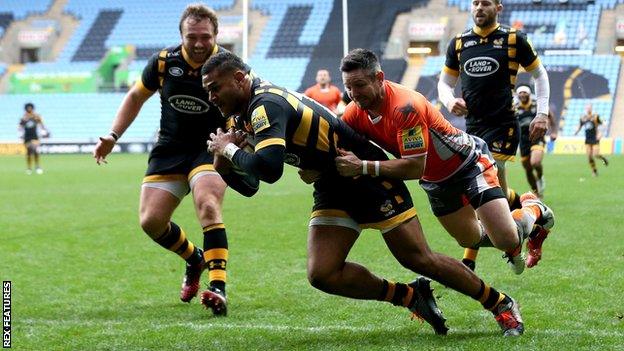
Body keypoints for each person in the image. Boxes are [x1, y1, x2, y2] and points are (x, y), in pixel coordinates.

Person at [203, 51, 526, 336]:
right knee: (322, 273)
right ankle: (410, 296)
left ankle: (500, 303)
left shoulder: (265, 104)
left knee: (419, 258)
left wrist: (231, 151)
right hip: (332, 183)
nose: (211, 96)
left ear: (239, 78)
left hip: (367, 178)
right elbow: (251, 186)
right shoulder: (242, 114)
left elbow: (270, 170)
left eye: (214, 88)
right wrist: (224, 161)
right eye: (207, 90)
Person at [338, 49, 555, 275]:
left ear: (379, 78)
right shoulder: (355, 112)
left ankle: (533, 207)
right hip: (436, 181)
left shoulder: (405, 107)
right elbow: (336, 139)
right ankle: (513, 230)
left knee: (505, 239)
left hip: (469, 164)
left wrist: (362, 167)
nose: (353, 93)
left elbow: (414, 167)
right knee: (468, 238)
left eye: (360, 85)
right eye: (348, 87)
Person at [93, 4, 230, 316]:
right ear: (181, 35)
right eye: (191, 36)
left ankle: (218, 287)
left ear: (216, 36)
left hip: (211, 147)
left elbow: (248, 103)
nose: (198, 43)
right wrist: (112, 136)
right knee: (151, 221)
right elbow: (135, 96)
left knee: (208, 204)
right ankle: (194, 258)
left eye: (205, 37)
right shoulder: (164, 62)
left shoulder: (228, 65)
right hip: (170, 148)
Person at [437, 0, 551, 268]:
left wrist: (542, 113)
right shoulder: (458, 43)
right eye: (475, 2)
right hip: (473, 127)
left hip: (503, 124)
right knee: (492, 192)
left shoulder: (513, 39)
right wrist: (448, 100)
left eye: (485, 3)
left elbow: (540, 75)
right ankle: (534, 211)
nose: (479, 7)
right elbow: (444, 83)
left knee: (482, 186)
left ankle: (471, 260)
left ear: (498, 7)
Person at [514, 85, 557, 198]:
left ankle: (540, 176)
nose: (523, 94)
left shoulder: (537, 103)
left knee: (535, 162)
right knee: (527, 169)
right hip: (523, 140)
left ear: (529, 93)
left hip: (537, 136)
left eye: (525, 92)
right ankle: (537, 193)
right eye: (520, 93)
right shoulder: (514, 106)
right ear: (518, 94)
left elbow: (551, 116)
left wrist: (554, 132)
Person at [574, 103, 608, 176]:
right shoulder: (583, 117)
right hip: (588, 140)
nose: (588, 109)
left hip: (595, 139)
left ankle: (603, 159)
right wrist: (576, 131)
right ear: (586, 109)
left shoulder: (595, 117)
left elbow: (604, 124)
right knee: (589, 157)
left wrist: (601, 134)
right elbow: (580, 126)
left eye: (589, 108)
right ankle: (594, 171)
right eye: (587, 108)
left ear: (591, 108)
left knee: (596, 155)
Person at [18, 102, 49, 175]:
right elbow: (20, 127)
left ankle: (38, 166)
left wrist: (45, 131)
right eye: (28, 108)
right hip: (27, 137)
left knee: (35, 150)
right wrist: (20, 134)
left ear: (32, 108)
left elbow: (41, 124)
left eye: (30, 107)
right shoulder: (24, 118)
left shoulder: (36, 116)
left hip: (34, 136)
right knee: (29, 152)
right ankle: (29, 168)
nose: (29, 109)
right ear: (26, 109)